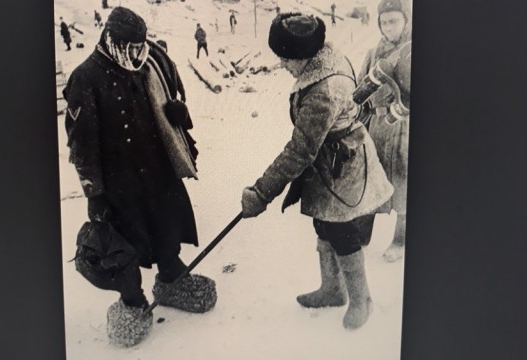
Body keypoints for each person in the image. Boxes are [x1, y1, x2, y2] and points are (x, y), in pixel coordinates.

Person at [63, 7, 215, 347]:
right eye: (130, 47)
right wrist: (94, 194)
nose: (137, 53)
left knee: (167, 224)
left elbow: (168, 95)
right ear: (112, 41)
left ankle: (171, 272)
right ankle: (133, 300)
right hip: (119, 185)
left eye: (139, 46)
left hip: (157, 170)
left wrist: (178, 114)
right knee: (125, 245)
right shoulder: (84, 79)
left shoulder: (148, 62)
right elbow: (81, 147)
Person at [240, 13, 393, 330]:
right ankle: (333, 290)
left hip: (343, 169)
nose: (282, 65)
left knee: (341, 231)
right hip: (328, 161)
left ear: (304, 55)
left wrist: (261, 192)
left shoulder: (323, 90)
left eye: (285, 58)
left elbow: (300, 150)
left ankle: (361, 299)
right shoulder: (324, 58)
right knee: (324, 225)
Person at [358, 0, 412, 262]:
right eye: (384, 22)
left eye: (394, 20)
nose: (388, 27)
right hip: (378, 128)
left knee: (403, 183)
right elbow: (359, 92)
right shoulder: (373, 53)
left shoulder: (414, 51)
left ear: (406, 20)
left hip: (405, 129)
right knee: (370, 180)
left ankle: (400, 240)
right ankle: (360, 237)